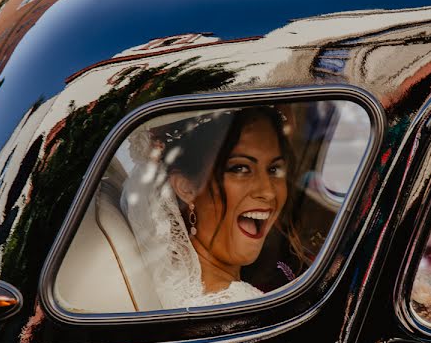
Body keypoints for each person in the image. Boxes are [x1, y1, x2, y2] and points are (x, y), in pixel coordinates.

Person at [124, 107, 303, 308]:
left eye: (273, 169)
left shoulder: (189, 290)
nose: (268, 192)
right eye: (240, 168)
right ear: (186, 187)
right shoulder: (237, 305)